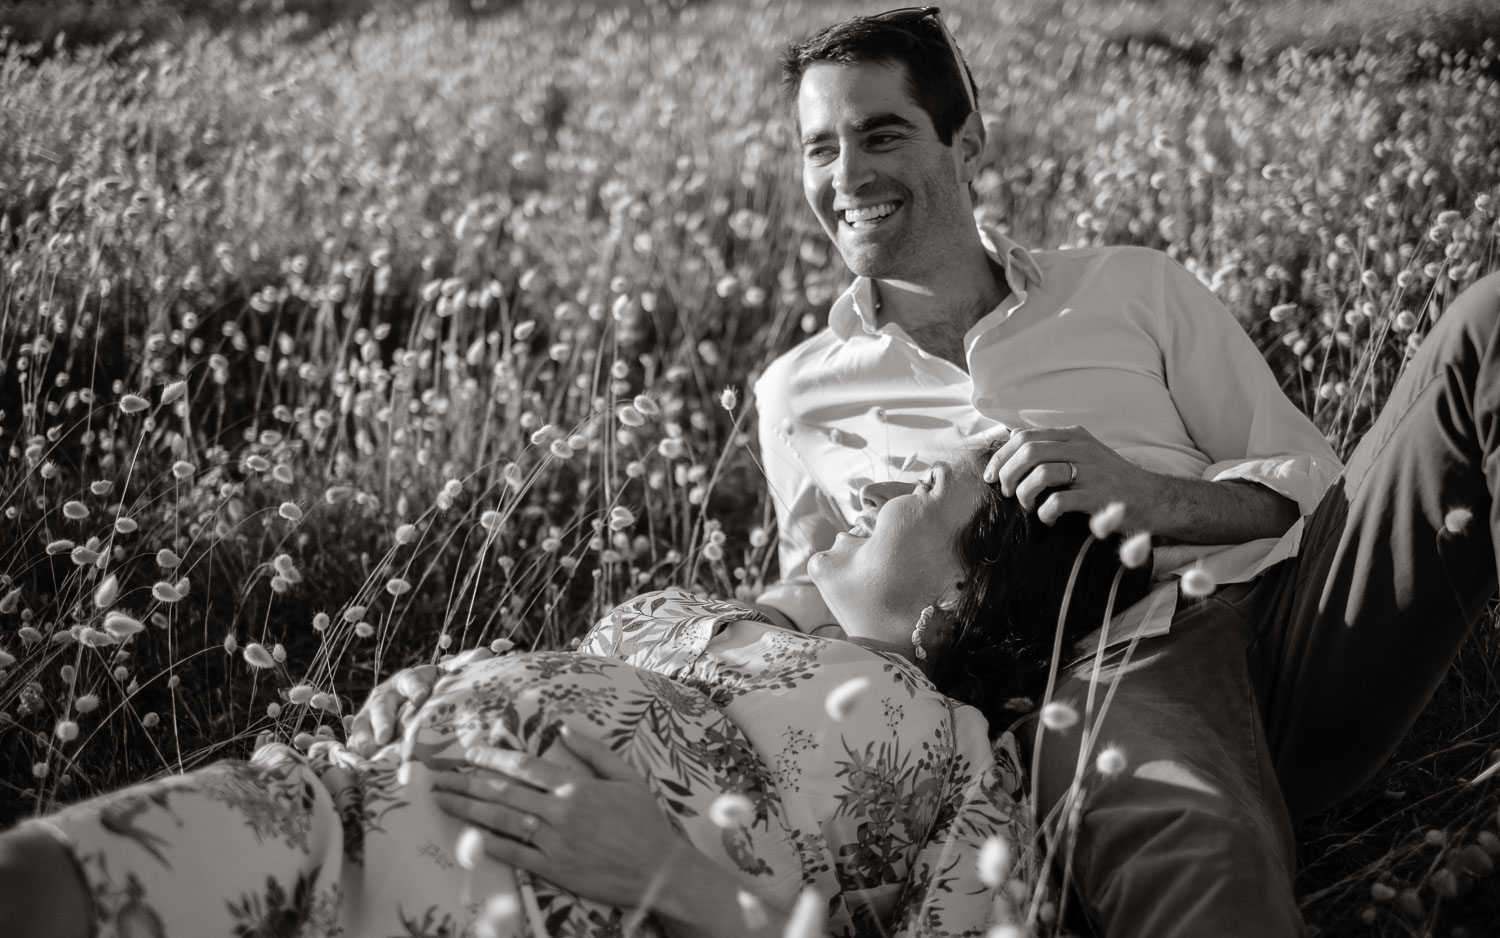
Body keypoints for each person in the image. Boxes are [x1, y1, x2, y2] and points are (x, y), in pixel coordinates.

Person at [366, 10, 1500, 937]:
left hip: (1299, 609)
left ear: (967, 143)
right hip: (1105, 680)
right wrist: (493, 679)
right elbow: (802, 628)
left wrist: (1163, 500)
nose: (845, 174)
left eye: (881, 134)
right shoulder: (797, 392)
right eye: (819, 147)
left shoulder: (1131, 288)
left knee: (1487, 325)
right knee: (1203, 863)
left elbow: (1309, 470)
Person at [0, 450, 1151, 938]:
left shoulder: (959, 750)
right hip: (337, 803)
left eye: (927, 488)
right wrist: (421, 683)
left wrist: (674, 879)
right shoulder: (676, 606)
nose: (886, 480)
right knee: (49, 879)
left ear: (958, 596)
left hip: (552, 911)